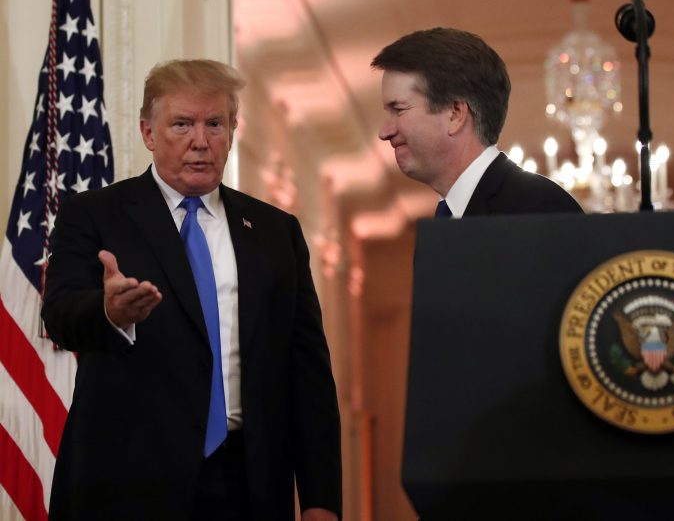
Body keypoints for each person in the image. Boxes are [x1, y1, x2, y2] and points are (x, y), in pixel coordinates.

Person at [42, 59, 342, 521]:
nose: (201, 141)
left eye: (215, 124)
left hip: (249, 484)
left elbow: (308, 373)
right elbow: (59, 315)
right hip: (128, 484)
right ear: (148, 132)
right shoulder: (94, 214)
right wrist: (109, 313)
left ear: (233, 130)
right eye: (182, 124)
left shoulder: (275, 232)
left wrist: (321, 499)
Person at [372, 27, 582, 217]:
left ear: (455, 114)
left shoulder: (537, 207)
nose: (384, 132)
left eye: (399, 110)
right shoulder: (450, 219)